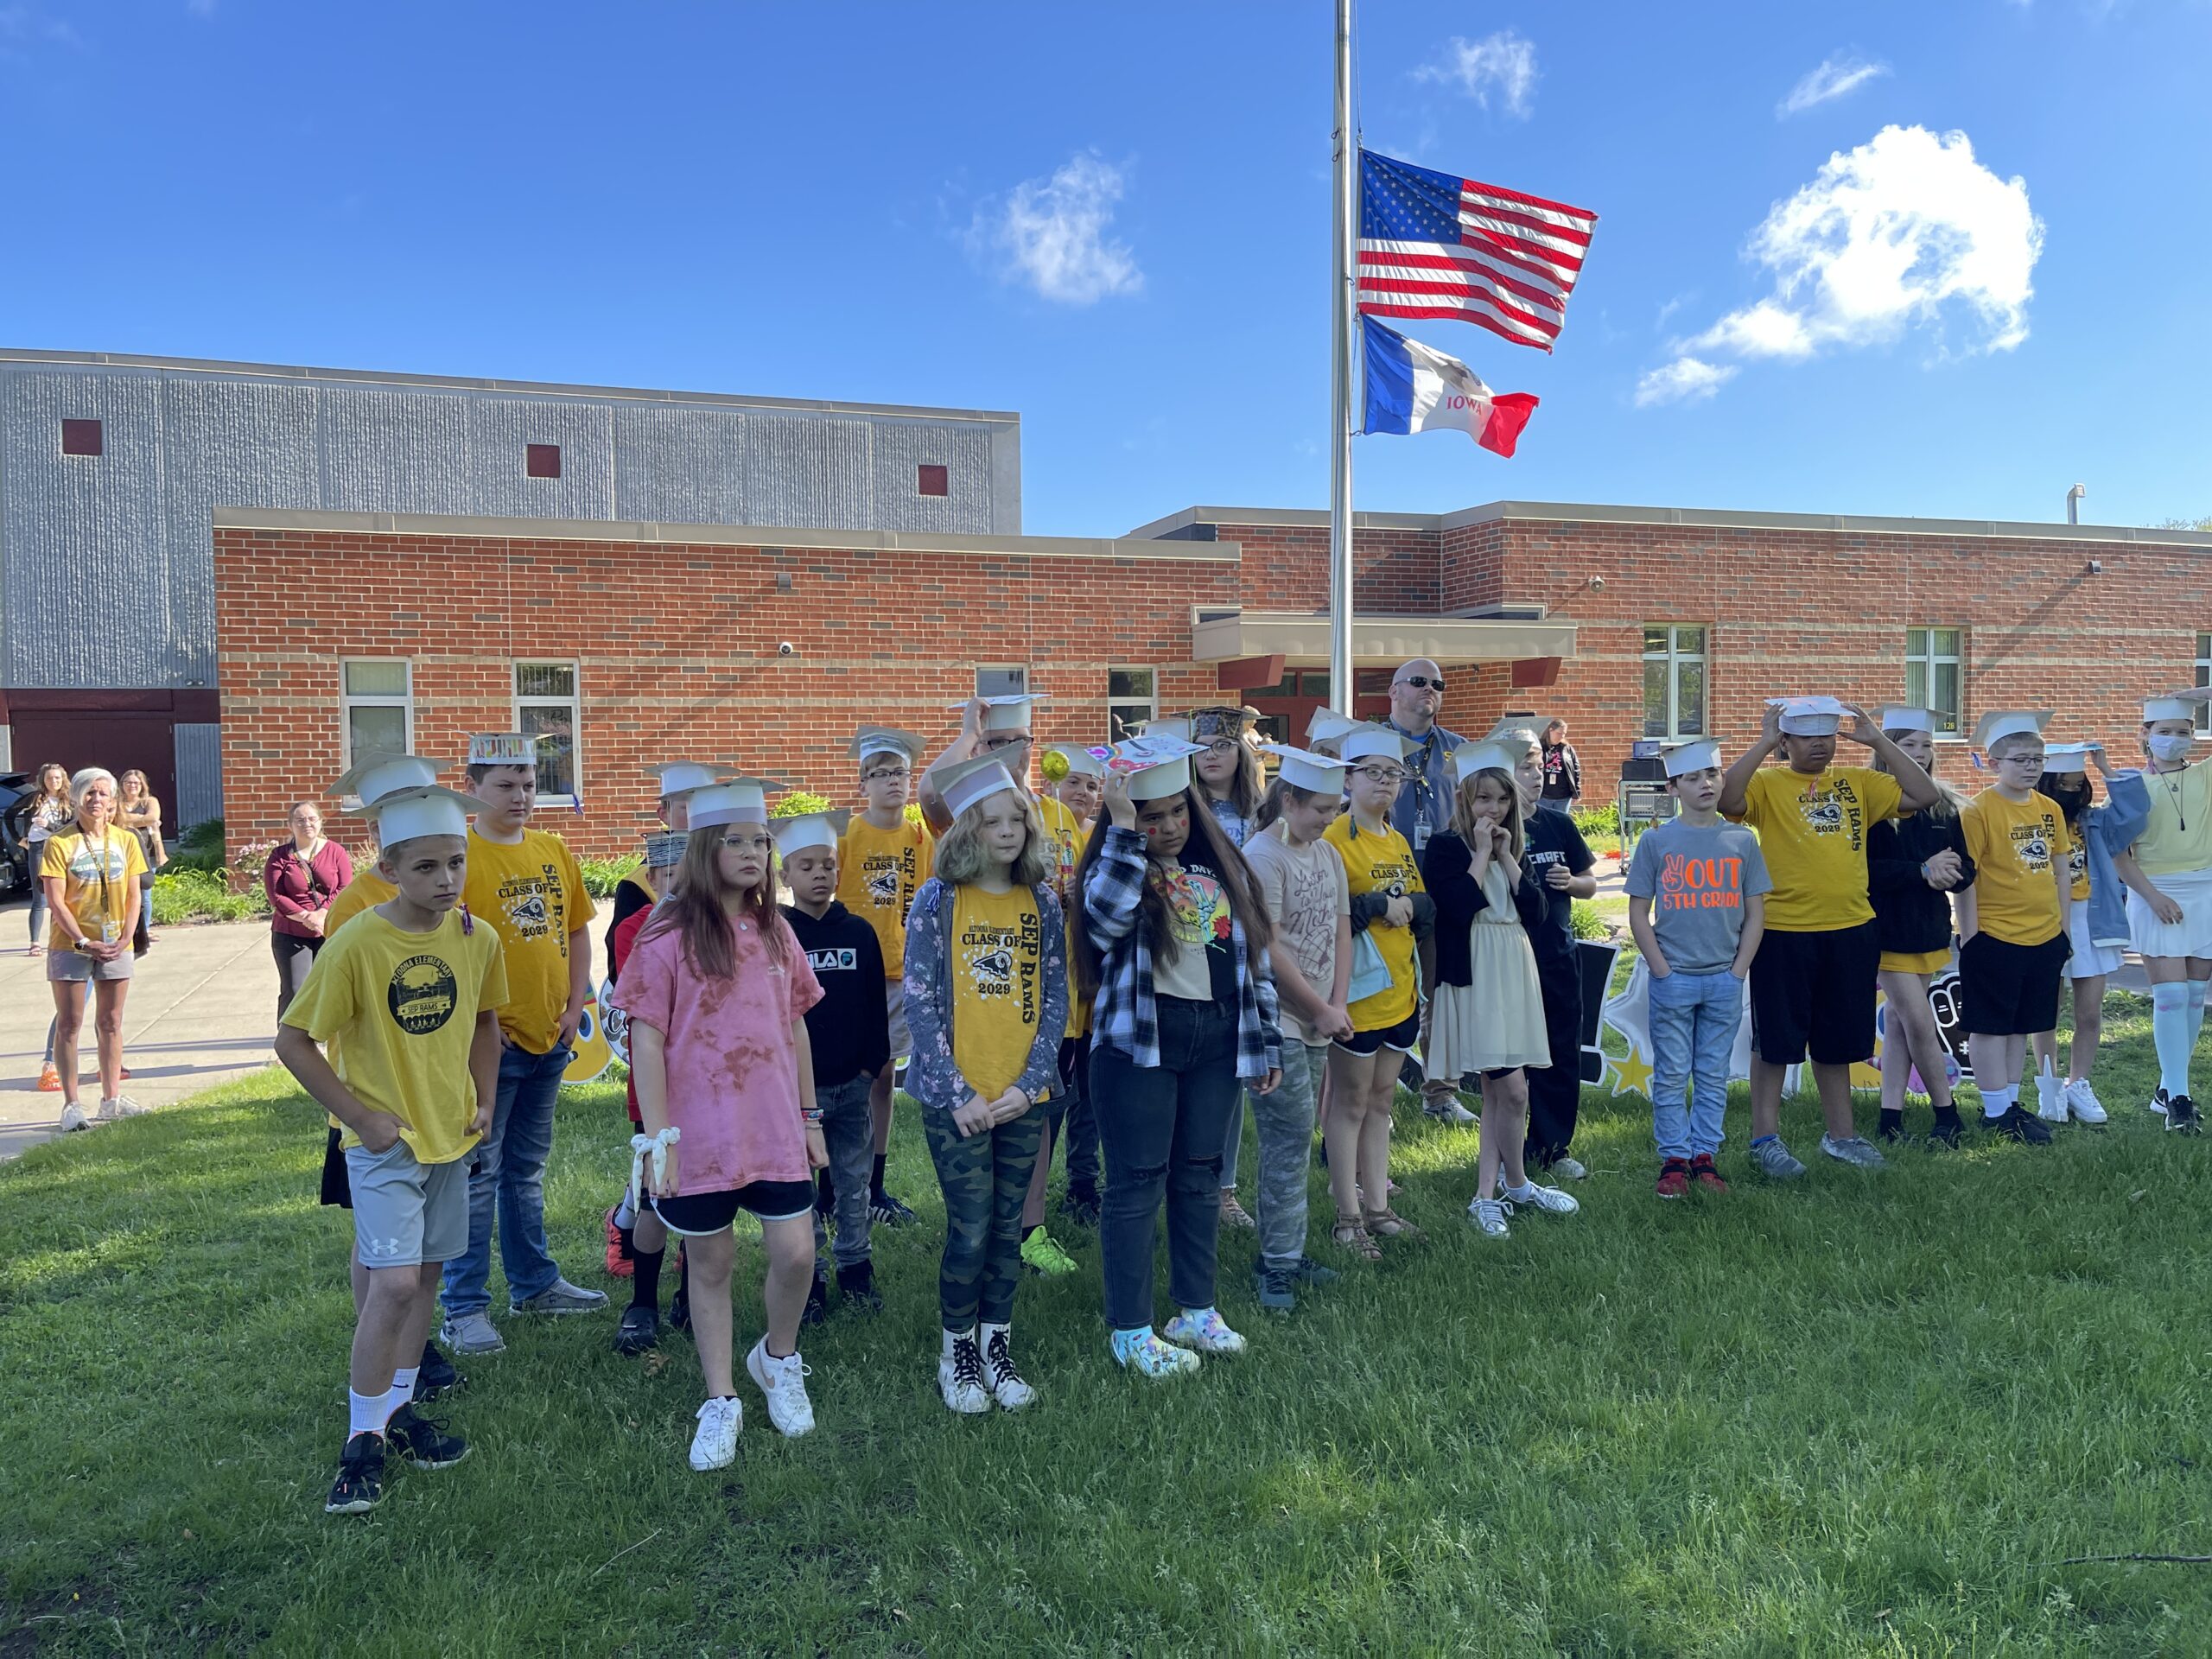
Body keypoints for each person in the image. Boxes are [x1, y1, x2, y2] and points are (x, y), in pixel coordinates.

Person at [272, 781, 505, 1515]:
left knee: (428, 1280)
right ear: (392, 869)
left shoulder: (477, 938)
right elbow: (293, 1040)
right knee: (395, 1285)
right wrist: (359, 1116)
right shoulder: (359, 942)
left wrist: (487, 1098)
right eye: (428, 868)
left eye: (455, 865)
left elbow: (486, 1026)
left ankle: (399, 1412)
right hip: (384, 1146)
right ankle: (361, 1438)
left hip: (450, 1139)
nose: (445, 881)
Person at [609, 780, 828, 1462]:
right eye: (737, 840)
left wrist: (810, 1115)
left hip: (774, 1128)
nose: (755, 853)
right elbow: (646, 1036)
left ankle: (778, 1359)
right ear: (705, 847)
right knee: (711, 1259)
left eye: (762, 841)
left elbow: (795, 1028)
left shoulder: (776, 930)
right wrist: (656, 1139)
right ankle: (721, 1396)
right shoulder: (665, 934)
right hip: (698, 1136)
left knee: (796, 1253)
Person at [1077, 749, 1281, 1378]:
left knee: (1199, 1175)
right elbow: (1104, 919)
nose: (1163, 827)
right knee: (1136, 1184)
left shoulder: (1223, 873)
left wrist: (1266, 1037)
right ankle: (1130, 1329)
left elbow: (1255, 965)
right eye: (1148, 817)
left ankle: (1196, 1309)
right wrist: (1118, 829)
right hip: (1140, 1046)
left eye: (1173, 814)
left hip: (1218, 1041)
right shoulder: (1120, 868)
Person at [901, 754, 1067, 1412]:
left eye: (1017, 819)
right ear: (967, 829)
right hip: (958, 1101)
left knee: (1007, 1230)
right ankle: (957, 1354)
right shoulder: (939, 899)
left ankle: (997, 1345)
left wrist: (1030, 1085)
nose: (1008, 831)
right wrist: (956, 1091)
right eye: (992, 821)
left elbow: (1055, 996)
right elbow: (919, 998)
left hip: (1023, 1097)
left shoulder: (1043, 901)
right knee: (970, 1230)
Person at [438, 733, 607, 1359]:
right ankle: (464, 1307)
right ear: (474, 789)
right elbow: (451, 949)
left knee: (526, 1172)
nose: (522, 796)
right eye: (506, 785)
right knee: (479, 1175)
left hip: (550, 1038)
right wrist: (484, 1030)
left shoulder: (552, 848)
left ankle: (534, 1284)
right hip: (495, 1046)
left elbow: (577, 931)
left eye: (530, 784)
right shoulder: (463, 857)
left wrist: (573, 1008)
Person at [1719, 696, 1937, 1175]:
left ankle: (1841, 1136)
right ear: (1787, 742)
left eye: (1827, 735)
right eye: (1806, 735)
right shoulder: (1768, 783)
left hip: (1852, 929)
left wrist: (1878, 740)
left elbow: (1924, 796)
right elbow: (1726, 800)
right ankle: (1764, 1140)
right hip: (1783, 932)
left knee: (1838, 1042)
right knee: (1775, 1042)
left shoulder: (1858, 781)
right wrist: (1761, 741)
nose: (1819, 744)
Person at [1422, 741, 1580, 1237]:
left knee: (1504, 1089)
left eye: (1502, 800)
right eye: (1483, 799)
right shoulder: (1447, 847)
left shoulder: (1517, 849)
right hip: (1476, 969)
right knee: (1509, 1088)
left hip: (1514, 964)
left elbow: (1536, 911)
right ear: (1465, 799)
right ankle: (1504, 1188)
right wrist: (1483, 853)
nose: (1493, 809)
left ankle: (1500, 1190)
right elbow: (1457, 905)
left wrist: (1509, 858)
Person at [1625, 739, 1770, 1197]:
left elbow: (1756, 913)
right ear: (1672, 788)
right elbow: (1637, 913)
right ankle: (1674, 1158)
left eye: (1711, 774)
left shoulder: (1741, 840)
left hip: (1724, 979)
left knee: (1712, 1071)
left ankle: (1704, 1155)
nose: (1705, 784)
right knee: (1670, 1072)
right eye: (1692, 778)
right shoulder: (1656, 841)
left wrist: (1738, 972)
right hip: (1675, 979)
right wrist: (1662, 970)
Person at [1243, 745, 1354, 1311]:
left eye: (1336, 810)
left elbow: (1341, 933)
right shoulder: (1264, 857)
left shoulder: (1327, 853)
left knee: (1300, 1136)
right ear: (1288, 799)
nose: (1329, 820)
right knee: (1287, 1143)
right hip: (1277, 1021)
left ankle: (1285, 1247)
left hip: (1317, 1018)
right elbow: (1267, 947)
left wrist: (1336, 1004)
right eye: (1320, 810)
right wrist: (1316, 1007)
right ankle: (1276, 1266)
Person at [774, 809, 892, 1323]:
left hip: (852, 1084)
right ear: (786, 876)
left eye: (827, 864)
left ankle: (855, 1267)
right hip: (802, 1093)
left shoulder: (861, 933)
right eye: (806, 866)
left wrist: (871, 1068)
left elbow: (874, 1005)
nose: (819, 874)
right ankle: (812, 1277)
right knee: (803, 1187)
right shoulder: (778, 934)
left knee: (852, 1178)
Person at [1322, 728, 1430, 1255]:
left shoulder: (1398, 839)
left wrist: (1408, 906)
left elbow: (1420, 901)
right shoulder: (1334, 839)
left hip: (1400, 993)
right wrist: (1377, 908)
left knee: (1382, 1101)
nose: (1386, 783)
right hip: (1357, 996)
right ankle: (1347, 1220)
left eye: (1394, 774)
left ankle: (1379, 1209)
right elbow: (1326, 917)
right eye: (1373, 772)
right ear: (1348, 779)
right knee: (1351, 1102)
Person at [1951, 711, 2072, 1145]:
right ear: (1994, 761)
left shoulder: (2050, 808)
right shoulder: (1979, 810)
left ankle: (2011, 1102)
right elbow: (1966, 877)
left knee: (2022, 1025)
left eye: (2037, 758)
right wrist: (1971, 937)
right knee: (1990, 1026)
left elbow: (2060, 872)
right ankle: (1994, 1109)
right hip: (1995, 935)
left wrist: (2064, 930)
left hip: (2044, 937)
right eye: (2020, 759)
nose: (2031, 766)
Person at [1864, 708, 1974, 1147]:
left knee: (1897, 1020)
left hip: (1927, 929)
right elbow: (1865, 870)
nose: (1920, 753)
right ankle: (1947, 1115)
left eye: (1926, 745)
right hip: (1885, 930)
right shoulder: (1870, 800)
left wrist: (1952, 873)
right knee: (1917, 1020)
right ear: (1887, 750)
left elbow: (1965, 866)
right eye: (1908, 745)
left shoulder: (1944, 804)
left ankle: (1889, 1119)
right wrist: (1922, 871)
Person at [838, 727, 934, 1229]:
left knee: (884, 1075)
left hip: (898, 973)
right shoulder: (847, 836)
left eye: (900, 773)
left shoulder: (920, 837)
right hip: (852, 976)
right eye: (882, 774)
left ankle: (874, 1185)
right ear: (863, 784)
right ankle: (832, 1185)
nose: (894, 782)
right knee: (842, 1076)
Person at [1497, 721, 1600, 1179]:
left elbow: (1592, 884)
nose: (1537, 776)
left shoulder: (1558, 824)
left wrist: (1573, 883)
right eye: (1524, 767)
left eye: (1539, 765)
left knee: (1561, 1051)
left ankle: (1552, 1148)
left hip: (1556, 955)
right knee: (1511, 1059)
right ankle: (1505, 1151)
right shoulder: (1488, 830)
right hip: (1504, 959)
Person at [606, 826, 693, 1336]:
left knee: (702, 1188)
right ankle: (642, 1302)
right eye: (667, 877)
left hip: (707, 1082)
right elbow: (637, 995)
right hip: (655, 1079)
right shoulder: (635, 927)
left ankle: (687, 1293)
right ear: (653, 877)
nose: (676, 887)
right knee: (654, 1189)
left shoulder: (717, 925)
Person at [2110, 691, 2212, 1130]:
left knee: (2193, 997)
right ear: (2144, 736)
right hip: (2155, 894)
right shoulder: (2132, 787)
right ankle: (2180, 1101)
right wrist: (2153, 897)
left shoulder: (2207, 776)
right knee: (2170, 997)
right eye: (2164, 731)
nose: (2174, 739)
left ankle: (2168, 1089)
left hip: (2204, 891)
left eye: (2183, 732)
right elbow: (2120, 854)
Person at [2031, 742, 2147, 1125]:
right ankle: (2049, 1087)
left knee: (2089, 1013)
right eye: (2062, 784)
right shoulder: (2031, 820)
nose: (2071, 791)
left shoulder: (2093, 822)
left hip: (2091, 924)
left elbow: (2135, 815)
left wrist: (2108, 770)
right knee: (2046, 1012)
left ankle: (2079, 1084)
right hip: (2044, 922)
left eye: (2078, 783)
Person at [42, 768, 148, 1133]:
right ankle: (72, 1105)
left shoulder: (126, 840)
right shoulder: (59, 843)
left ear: (114, 801)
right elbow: (56, 902)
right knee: (70, 1024)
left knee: (111, 1022)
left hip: (117, 942)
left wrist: (125, 938)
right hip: (71, 946)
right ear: (76, 799)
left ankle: (111, 1099)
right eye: (89, 793)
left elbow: (135, 895)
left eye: (103, 794)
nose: (97, 800)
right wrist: (84, 941)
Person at [1040, 742, 1105, 1231]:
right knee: (1054, 1097)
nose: (1083, 793)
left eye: (1092, 785)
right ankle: (1033, 1196)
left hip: (1092, 988)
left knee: (1090, 1094)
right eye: (1074, 782)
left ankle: (1084, 1184)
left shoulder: (1097, 840)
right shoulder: (1044, 831)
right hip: (1054, 986)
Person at [607, 761, 728, 982]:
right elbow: (622, 971)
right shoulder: (636, 885)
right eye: (688, 808)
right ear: (664, 813)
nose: (700, 817)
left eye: (708, 808)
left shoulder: (729, 870)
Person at [265, 800, 357, 1021]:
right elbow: (276, 896)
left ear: (321, 821)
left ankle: (328, 1042)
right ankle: (289, 1046)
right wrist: (306, 917)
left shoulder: (336, 851)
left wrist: (323, 913)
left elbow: (345, 887)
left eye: (312, 819)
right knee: (296, 991)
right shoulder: (280, 856)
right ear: (290, 825)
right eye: (300, 820)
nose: (307, 824)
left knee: (332, 988)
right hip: (291, 933)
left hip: (331, 930)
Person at [116, 769, 167, 954]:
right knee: (125, 893)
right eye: (128, 782)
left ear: (142, 785)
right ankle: (128, 929)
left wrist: (128, 820)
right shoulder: (117, 803)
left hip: (147, 852)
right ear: (122, 785)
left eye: (136, 783)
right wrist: (140, 819)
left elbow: (153, 817)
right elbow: (115, 821)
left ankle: (144, 929)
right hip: (122, 853)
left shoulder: (149, 802)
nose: (132, 786)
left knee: (145, 893)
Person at [24, 760, 70, 965]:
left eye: (58, 778)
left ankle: (59, 938)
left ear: (63, 779)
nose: (54, 781)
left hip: (59, 847)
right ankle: (34, 941)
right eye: (50, 778)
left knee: (61, 896)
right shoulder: (35, 799)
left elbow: (68, 827)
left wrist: (49, 825)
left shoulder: (69, 800)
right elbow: (8, 817)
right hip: (38, 847)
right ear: (43, 780)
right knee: (39, 897)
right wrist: (20, 839)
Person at [1538, 720, 1581, 813]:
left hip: (1563, 796)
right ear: (1550, 730)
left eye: (1564, 734)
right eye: (1559, 733)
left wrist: (1576, 792)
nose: (1561, 736)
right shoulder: (1539, 746)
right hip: (1543, 795)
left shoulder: (1567, 748)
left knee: (1560, 823)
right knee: (1544, 824)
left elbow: (1576, 770)